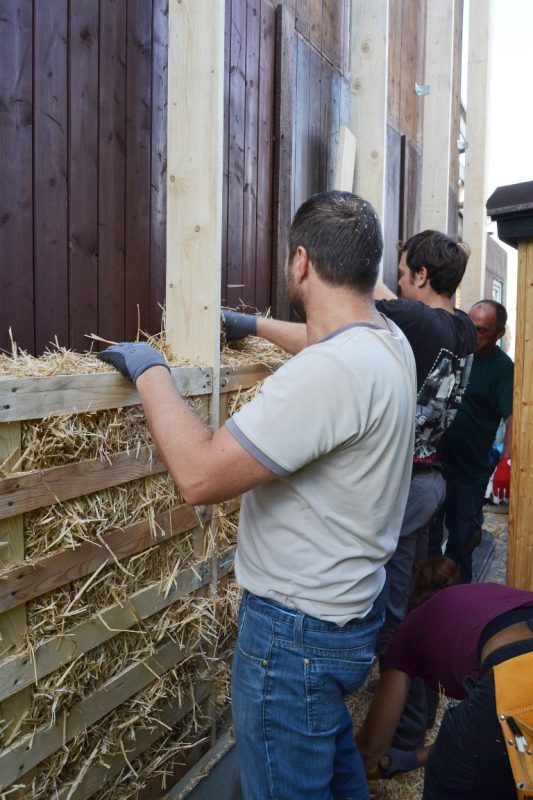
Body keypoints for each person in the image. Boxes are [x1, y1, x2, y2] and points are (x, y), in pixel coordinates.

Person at [97, 190, 417, 800]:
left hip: (294, 638)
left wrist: (152, 371)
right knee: (334, 771)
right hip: (346, 618)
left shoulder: (329, 374)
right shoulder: (387, 341)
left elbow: (199, 476)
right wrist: (256, 329)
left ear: (300, 263)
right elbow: (326, 346)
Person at [225, 229, 476, 749]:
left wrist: (252, 324)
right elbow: (376, 297)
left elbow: (330, 335)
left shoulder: (408, 322)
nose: (395, 283)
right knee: (410, 604)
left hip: (400, 485)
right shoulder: (461, 329)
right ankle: (407, 728)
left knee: (381, 614)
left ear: (423, 277)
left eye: (403, 272)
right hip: (430, 482)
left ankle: (390, 735)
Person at [356, 557, 533, 800]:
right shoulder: (488, 596)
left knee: (451, 779)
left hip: (515, 668)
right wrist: (411, 758)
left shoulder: (408, 631)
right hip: (519, 667)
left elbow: (372, 746)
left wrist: (343, 771)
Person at [429, 300, 514, 582]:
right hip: (435, 466)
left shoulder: (503, 369)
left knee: (462, 546)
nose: (473, 335)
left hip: (470, 474)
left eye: (481, 330)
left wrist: (507, 461)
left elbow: (512, 418)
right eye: (469, 326)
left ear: (499, 334)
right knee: (427, 548)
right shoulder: (455, 354)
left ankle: (459, 611)